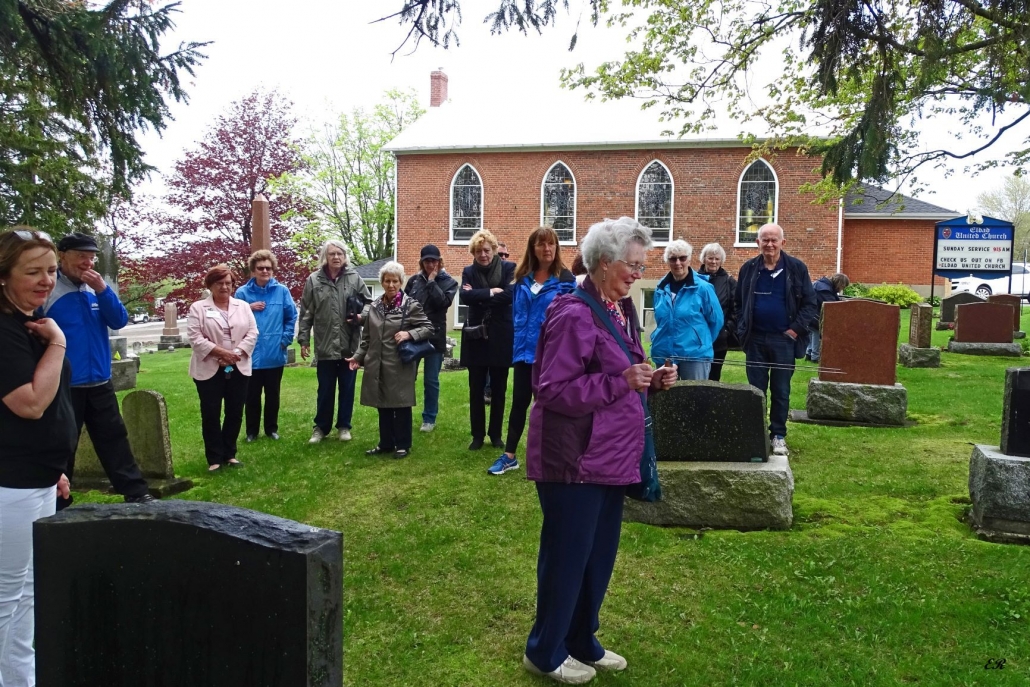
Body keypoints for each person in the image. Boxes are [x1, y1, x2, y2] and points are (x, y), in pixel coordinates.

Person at [522, 217, 677, 684]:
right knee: (567, 558)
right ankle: (544, 651)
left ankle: (581, 639)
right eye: (633, 265)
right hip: (574, 459)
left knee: (598, 556)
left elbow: (621, 372)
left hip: (610, 456)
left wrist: (651, 380)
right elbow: (551, 390)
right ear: (604, 263)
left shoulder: (620, 308)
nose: (639, 273)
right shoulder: (573, 313)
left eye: (642, 264)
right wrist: (620, 382)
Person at [0, 228, 73, 685]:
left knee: (26, 595)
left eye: (50, 270)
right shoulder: (5, 331)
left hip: (39, 477)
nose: (47, 281)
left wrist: (56, 469)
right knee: (6, 596)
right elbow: (30, 404)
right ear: (3, 276)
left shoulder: (31, 322)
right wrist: (59, 343)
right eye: (33, 272)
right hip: (11, 482)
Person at [43, 232, 154, 505]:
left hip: (100, 380)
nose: (88, 263)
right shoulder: (49, 290)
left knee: (114, 438)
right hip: (64, 383)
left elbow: (118, 320)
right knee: (63, 443)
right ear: (62, 256)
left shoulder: (97, 288)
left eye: (91, 258)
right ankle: (58, 501)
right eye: (81, 256)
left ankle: (136, 492)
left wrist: (103, 290)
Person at [489, 227, 575, 476]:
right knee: (519, 402)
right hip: (523, 353)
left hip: (550, 355)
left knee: (549, 404)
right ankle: (509, 456)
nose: (547, 249)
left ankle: (552, 455)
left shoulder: (565, 281)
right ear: (532, 249)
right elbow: (517, 315)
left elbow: (570, 320)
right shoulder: (522, 279)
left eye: (551, 243)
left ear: (556, 247)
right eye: (541, 244)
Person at [734, 223, 817, 457]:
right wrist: (743, 329)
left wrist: (794, 331)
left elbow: (810, 304)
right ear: (757, 243)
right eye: (765, 240)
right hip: (755, 340)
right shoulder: (748, 269)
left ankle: (778, 435)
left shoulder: (797, 268)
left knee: (781, 390)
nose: (769, 244)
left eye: (774, 240)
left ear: (783, 242)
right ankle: (756, 433)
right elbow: (738, 303)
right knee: (756, 390)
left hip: (784, 340)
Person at [347, 262, 433, 459]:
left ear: (401, 282)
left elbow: (428, 328)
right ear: (382, 282)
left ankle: (403, 444)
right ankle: (385, 443)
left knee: (401, 404)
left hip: (399, 363)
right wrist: (357, 357)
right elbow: (366, 338)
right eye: (387, 281)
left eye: (395, 281)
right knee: (382, 403)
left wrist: (409, 334)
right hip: (376, 363)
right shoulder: (374, 306)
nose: (391, 285)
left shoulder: (410, 305)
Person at [297, 240, 371, 444]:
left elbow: (369, 304)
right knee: (325, 390)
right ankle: (321, 428)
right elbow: (306, 312)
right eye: (332, 254)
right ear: (325, 257)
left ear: (345, 257)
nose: (336, 257)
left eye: (340, 253)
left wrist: (361, 317)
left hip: (349, 345)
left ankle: (344, 426)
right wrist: (304, 339)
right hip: (325, 345)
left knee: (347, 389)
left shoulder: (354, 278)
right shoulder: (314, 280)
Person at [187, 265, 259, 471]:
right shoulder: (198, 308)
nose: (225, 287)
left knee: (235, 411)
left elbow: (253, 333)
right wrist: (221, 353)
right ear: (210, 285)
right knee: (211, 412)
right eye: (220, 283)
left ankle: (229, 453)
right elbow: (195, 337)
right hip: (208, 367)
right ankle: (214, 458)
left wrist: (235, 354)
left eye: (228, 283)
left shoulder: (243, 306)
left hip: (238, 365)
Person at [459, 229, 515, 451]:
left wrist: (479, 295)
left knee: (499, 388)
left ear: (493, 250)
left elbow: (510, 295)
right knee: (476, 388)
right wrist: (492, 292)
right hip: (476, 335)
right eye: (478, 251)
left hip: (501, 334)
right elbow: (465, 297)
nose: (482, 254)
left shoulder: (509, 269)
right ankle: (477, 435)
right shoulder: (468, 271)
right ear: (473, 253)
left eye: (486, 250)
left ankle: (496, 434)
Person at [235, 250, 298, 442]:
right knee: (251, 396)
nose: (265, 271)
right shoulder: (242, 293)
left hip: (274, 352)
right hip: (250, 353)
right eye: (260, 268)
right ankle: (251, 432)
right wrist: (249, 307)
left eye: (268, 268)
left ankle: (271, 429)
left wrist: (285, 339)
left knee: (273, 395)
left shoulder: (282, 291)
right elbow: (234, 318)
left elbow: (291, 316)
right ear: (253, 270)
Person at [403, 244, 458, 433]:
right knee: (407, 378)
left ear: (439, 262)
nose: (430, 264)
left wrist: (432, 281)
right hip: (413, 336)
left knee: (431, 380)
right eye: (427, 261)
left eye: (433, 260)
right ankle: (403, 413)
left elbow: (442, 303)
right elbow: (404, 305)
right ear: (422, 262)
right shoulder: (414, 281)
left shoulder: (449, 282)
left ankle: (429, 418)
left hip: (434, 337)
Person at [650, 239, 723, 380]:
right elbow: (660, 320)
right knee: (664, 394)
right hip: (664, 353)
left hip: (694, 356)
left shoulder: (703, 288)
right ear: (667, 261)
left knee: (693, 393)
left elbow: (716, 321)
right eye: (673, 259)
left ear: (689, 259)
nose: (678, 263)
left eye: (682, 258)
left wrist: (700, 342)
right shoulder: (660, 288)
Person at [696, 242, 738, 381]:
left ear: (721, 261)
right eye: (710, 258)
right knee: (695, 377)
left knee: (713, 377)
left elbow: (736, 308)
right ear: (704, 259)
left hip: (719, 340)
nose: (713, 262)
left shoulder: (729, 282)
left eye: (717, 258)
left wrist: (726, 330)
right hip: (696, 338)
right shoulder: (693, 280)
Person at [807, 272, 850, 363]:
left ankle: (809, 354)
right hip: (815, 315)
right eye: (843, 287)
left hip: (810, 313)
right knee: (816, 334)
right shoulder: (824, 289)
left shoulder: (823, 285)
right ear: (840, 283)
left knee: (812, 335)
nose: (842, 289)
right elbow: (832, 304)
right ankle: (815, 357)